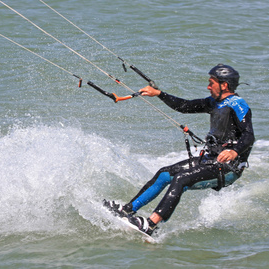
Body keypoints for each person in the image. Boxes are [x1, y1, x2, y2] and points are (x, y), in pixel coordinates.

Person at [104, 64, 255, 235]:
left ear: (224, 85)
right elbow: (184, 106)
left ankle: (150, 225)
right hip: (210, 160)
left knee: (181, 179)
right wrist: (159, 94)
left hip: (228, 168)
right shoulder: (214, 102)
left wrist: (234, 152)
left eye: (211, 83)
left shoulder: (238, 104)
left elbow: (249, 136)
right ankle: (127, 210)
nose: (208, 86)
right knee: (165, 174)